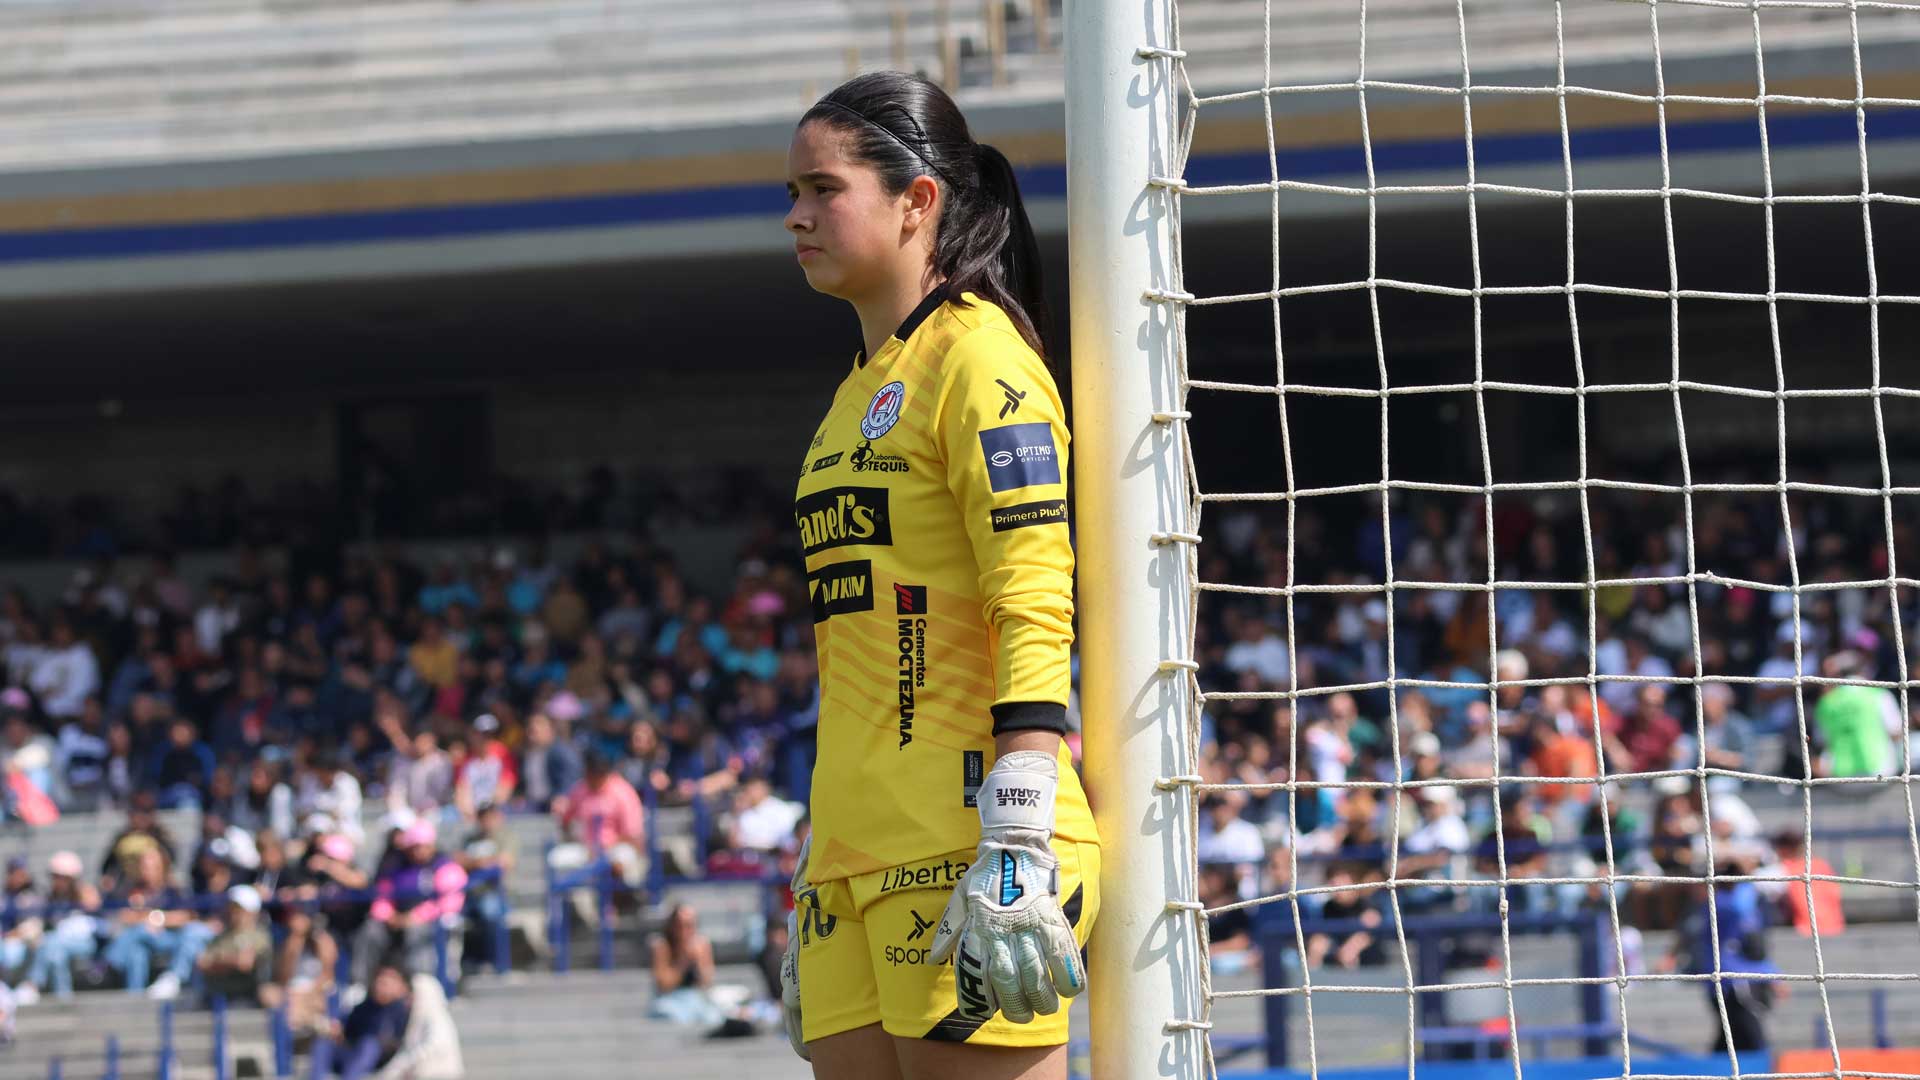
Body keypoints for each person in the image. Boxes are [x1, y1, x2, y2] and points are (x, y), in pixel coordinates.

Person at [779, 70, 1100, 1078]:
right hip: (849, 858)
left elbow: (1035, 581)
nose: (797, 216)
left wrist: (1019, 814)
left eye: (823, 189)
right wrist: (816, 856)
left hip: (969, 840)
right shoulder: (851, 399)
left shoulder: (981, 360)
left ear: (918, 200)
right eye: (792, 194)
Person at [353, 820, 467, 987]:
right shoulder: (396, 867)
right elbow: (383, 896)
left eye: (422, 845)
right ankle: (361, 983)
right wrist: (389, 916)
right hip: (396, 920)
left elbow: (450, 901)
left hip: (427, 921)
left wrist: (415, 917)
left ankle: (421, 982)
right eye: (414, 846)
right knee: (371, 930)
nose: (418, 850)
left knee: (417, 932)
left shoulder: (444, 866)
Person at [646, 903, 722, 1027]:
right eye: (679, 925)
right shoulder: (662, 946)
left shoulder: (702, 944)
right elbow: (663, 985)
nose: (684, 931)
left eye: (689, 925)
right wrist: (683, 961)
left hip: (695, 999)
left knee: (714, 1018)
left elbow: (706, 982)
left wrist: (699, 960)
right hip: (669, 1000)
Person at [197, 885, 272, 1006]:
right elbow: (202, 963)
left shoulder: (259, 936)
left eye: (238, 908)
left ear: (251, 911)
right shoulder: (221, 936)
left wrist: (218, 960)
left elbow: (244, 963)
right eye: (231, 907)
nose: (233, 912)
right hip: (216, 996)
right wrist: (230, 960)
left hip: (246, 997)